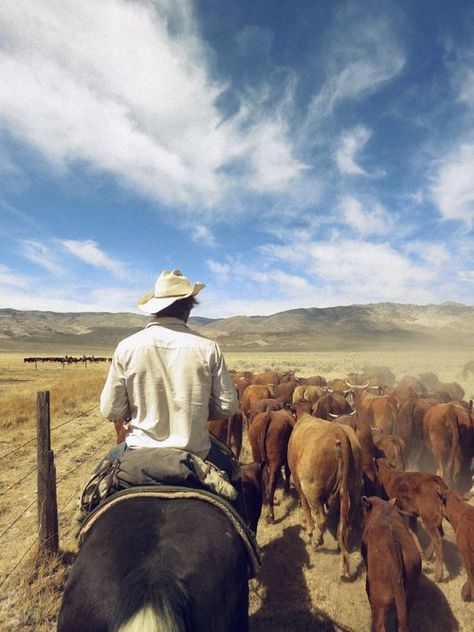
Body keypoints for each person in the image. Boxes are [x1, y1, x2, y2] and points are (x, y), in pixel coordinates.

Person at [99, 269, 242, 508]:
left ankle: (82, 524)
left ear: (154, 308)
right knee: (236, 479)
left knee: (95, 487)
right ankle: (247, 534)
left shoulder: (126, 347)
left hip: (138, 451)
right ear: (188, 308)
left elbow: (110, 410)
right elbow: (228, 406)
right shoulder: (208, 348)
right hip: (198, 452)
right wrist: (197, 412)